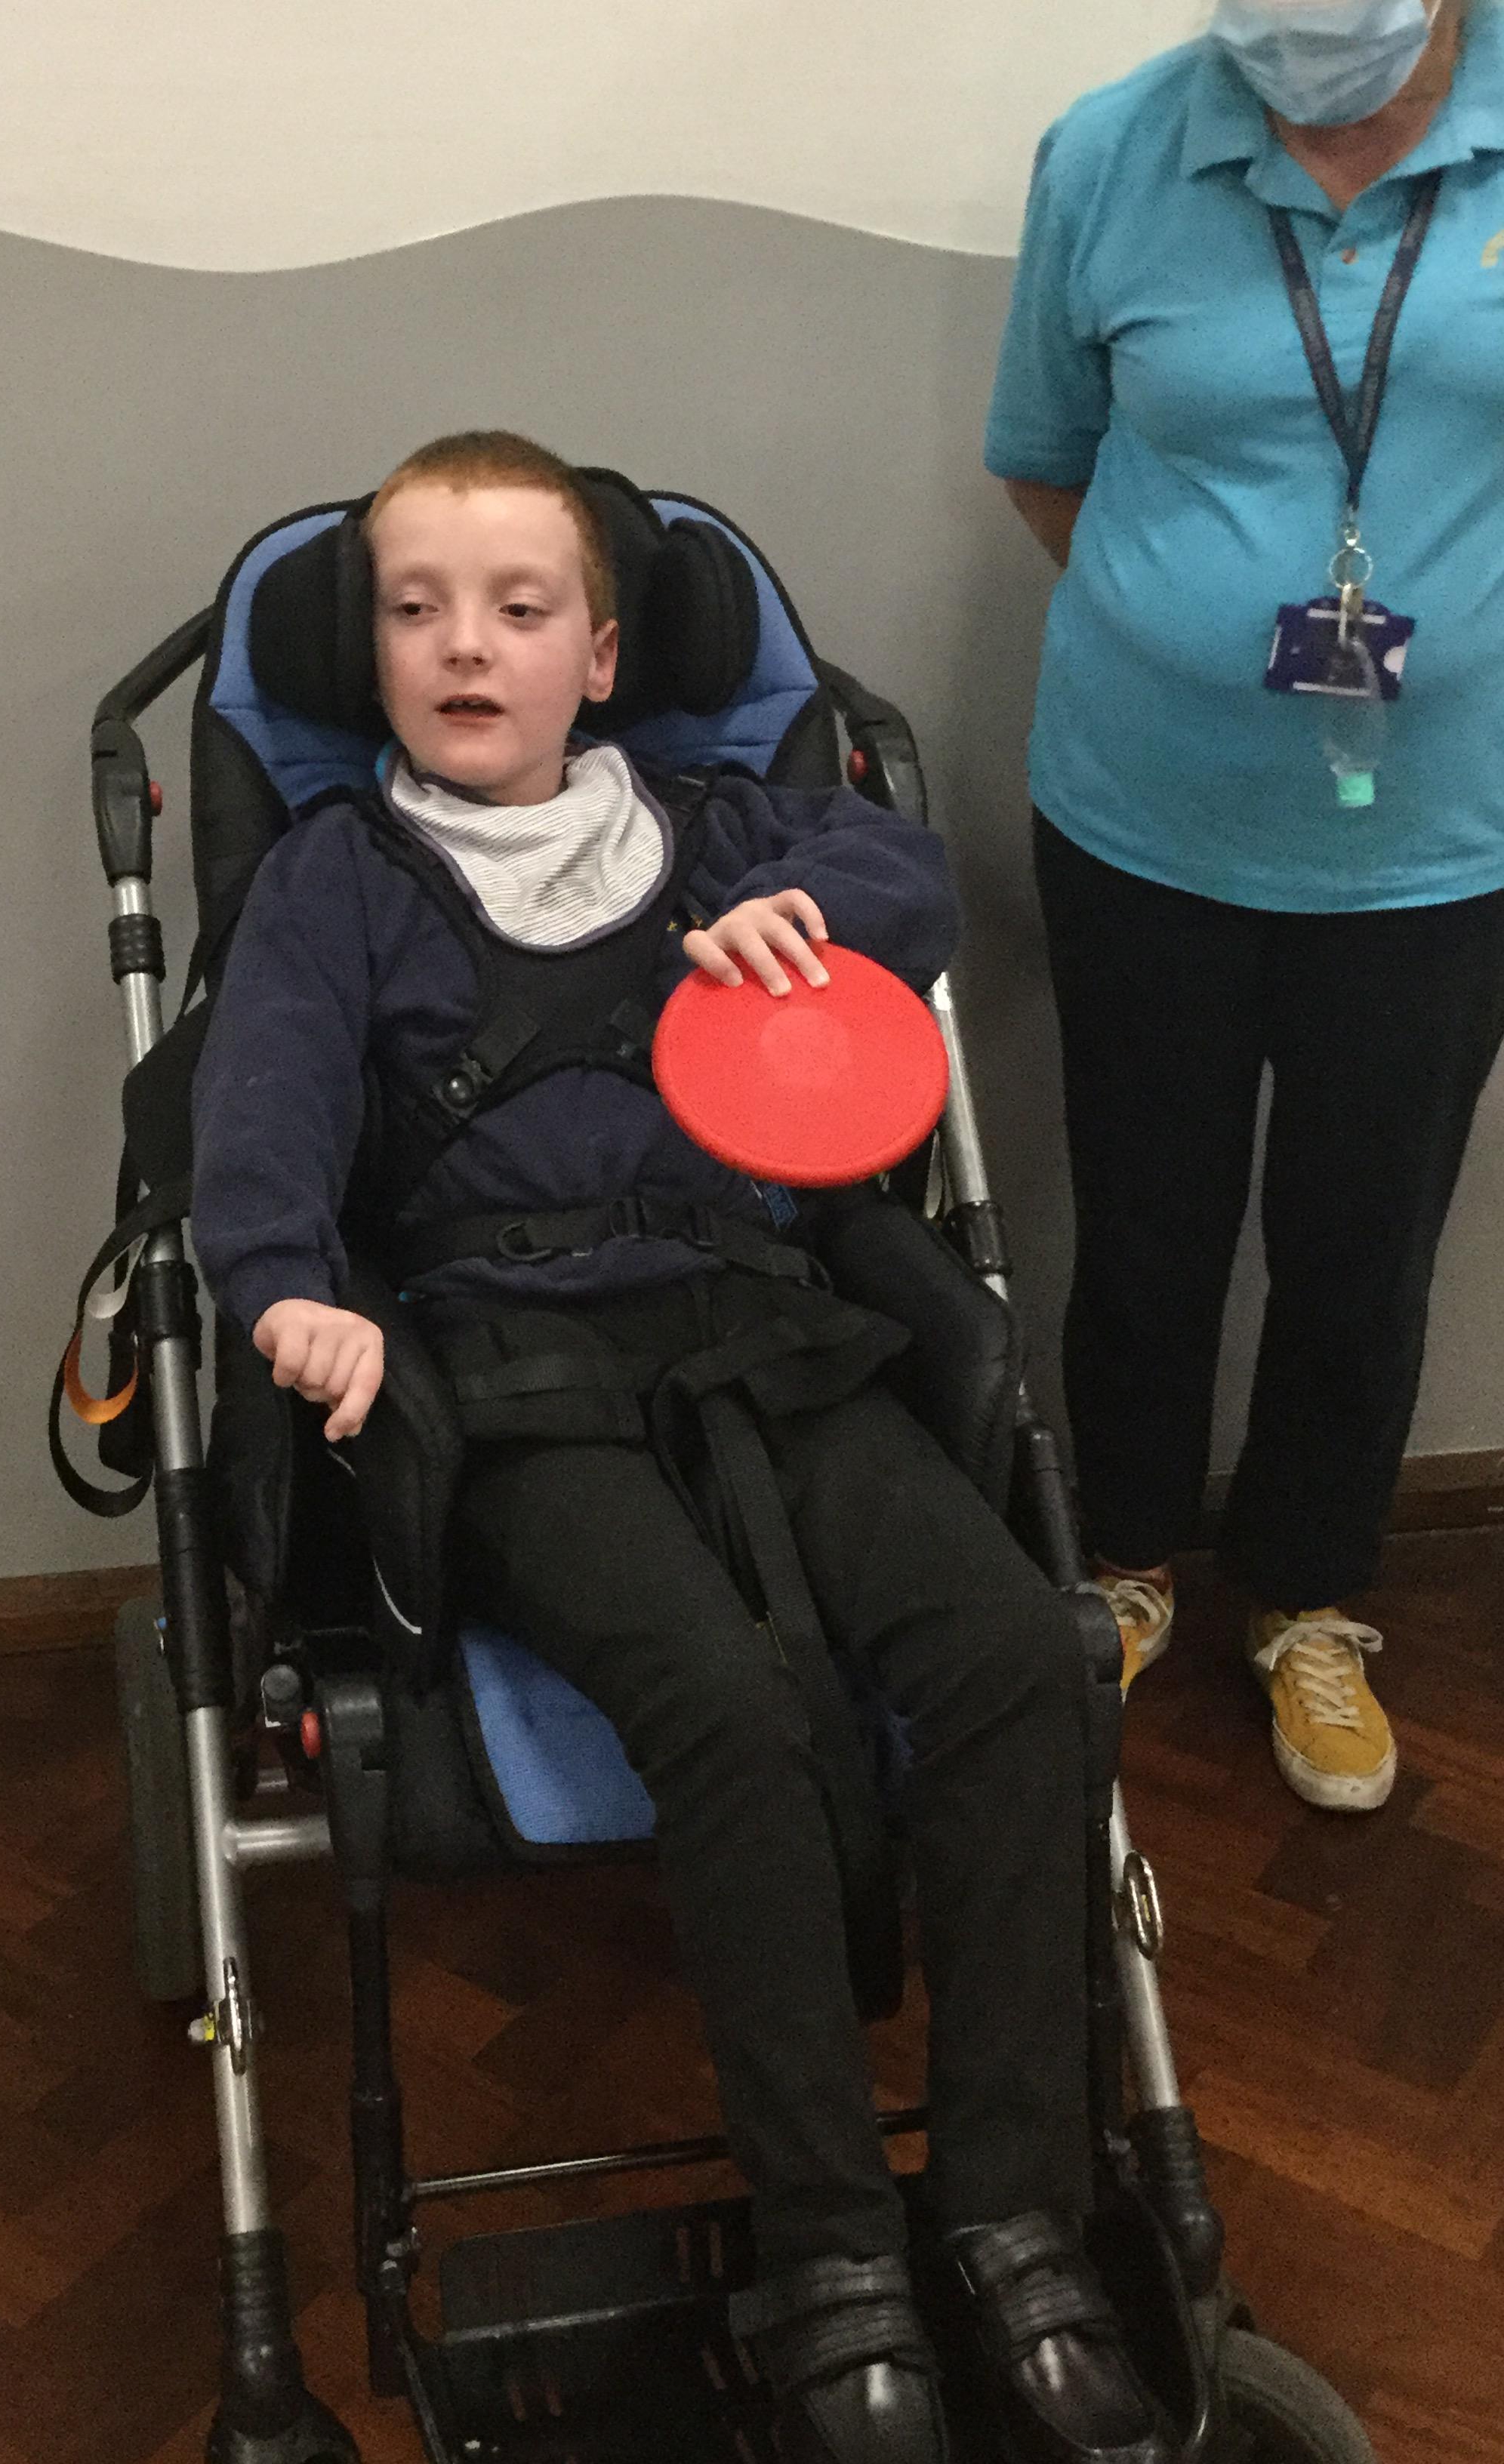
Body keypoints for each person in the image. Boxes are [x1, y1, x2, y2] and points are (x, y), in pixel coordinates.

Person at [192, 433, 1170, 2464]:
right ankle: (833, 2253)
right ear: (368, 654)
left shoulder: (713, 823)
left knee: (1016, 1653)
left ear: (606, 655)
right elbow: (259, 1122)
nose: (467, 646)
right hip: (507, 1378)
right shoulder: (333, 880)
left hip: (765, 1326)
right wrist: (291, 1290)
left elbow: (910, 886)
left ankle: (1012, 2213)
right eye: (415, 611)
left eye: (519, 609)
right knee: (721, 1703)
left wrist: (793, 905)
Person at [986, 0, 1504, 1811]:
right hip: (1144, 818)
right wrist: (1198, 631)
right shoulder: (1114, 149)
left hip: (1442, 848)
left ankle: (1309, 1601)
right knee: (1143, 1230)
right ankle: (1125, 1557)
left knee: (1364, 1250)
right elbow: (1045, 453)